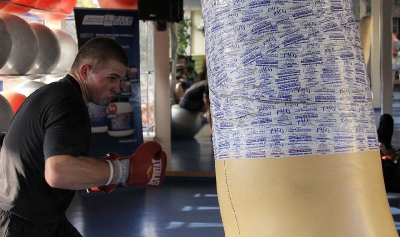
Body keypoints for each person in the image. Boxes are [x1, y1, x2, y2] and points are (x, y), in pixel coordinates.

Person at [0, 37, 166, 236]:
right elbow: (59, 173)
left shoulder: (52, 93)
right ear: (85, 71)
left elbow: (39, 153)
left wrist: (90, 173)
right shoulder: (69, 105)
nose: (117, 87)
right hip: (25, 226)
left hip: (39, 217)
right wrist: (124, 170)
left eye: (121, 80)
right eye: (111, 78)